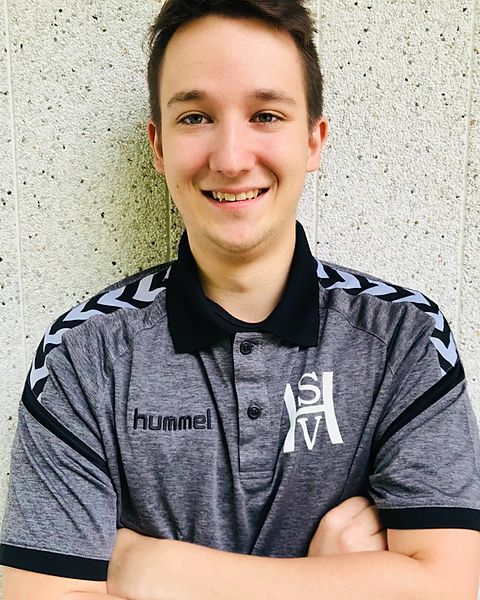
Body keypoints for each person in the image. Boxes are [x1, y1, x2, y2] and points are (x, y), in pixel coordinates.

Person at [1, 0, 480, 598]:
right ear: (158, 146)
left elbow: (452, 585)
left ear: (313, 141)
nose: (230, 159)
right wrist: (330, 580)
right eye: (196, 117)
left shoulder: (405, 338)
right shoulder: (82, 355)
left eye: (266, 115)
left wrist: (159, 572)